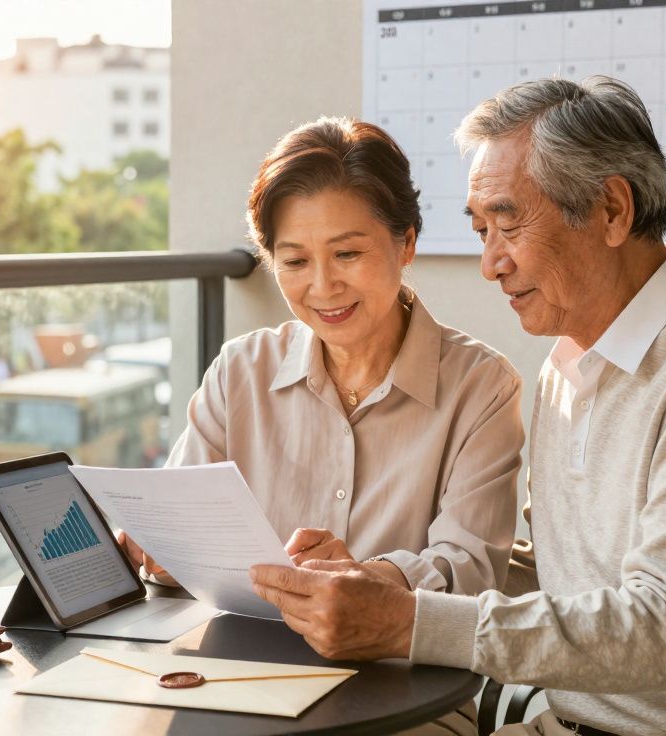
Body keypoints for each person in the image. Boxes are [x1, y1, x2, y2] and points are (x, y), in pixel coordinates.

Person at [250, 77, 666, 735]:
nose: (490, 264)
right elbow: (558, 571)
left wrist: (405, 622)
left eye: (508, 222)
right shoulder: (568, 366)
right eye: (481, 229)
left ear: (610, 211)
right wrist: (387, 582)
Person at [122, 117, 525, 733]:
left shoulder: (482, 385)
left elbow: (471, 572)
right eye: (294, 260)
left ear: (406, 244)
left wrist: (372, 580)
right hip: (237, 690)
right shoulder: (240, 370)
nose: (322, 286)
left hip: (403, 704)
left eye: (348, 253)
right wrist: (162, 547)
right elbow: (185, 522)